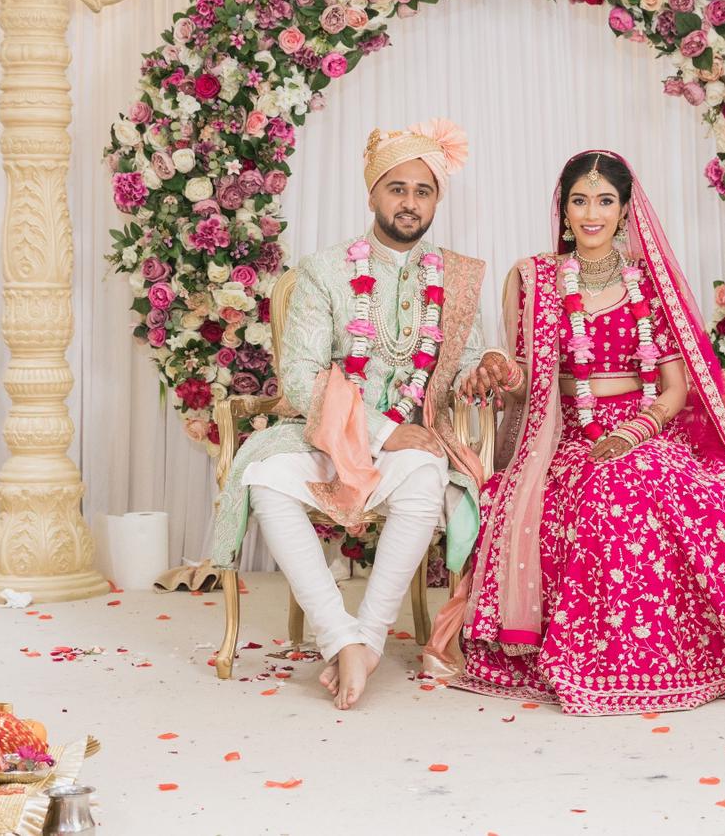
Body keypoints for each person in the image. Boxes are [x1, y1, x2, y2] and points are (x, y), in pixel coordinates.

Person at [428, 150, 725, 715]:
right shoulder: (534, 280)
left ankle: (702, 655)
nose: (592, 213)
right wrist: (505, 370)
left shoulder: (649, 283)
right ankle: (610, 660)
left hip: (645, 431)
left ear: (625, 209)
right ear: (564, 210)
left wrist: (635, 430)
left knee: (712, 493)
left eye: (605, 201)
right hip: (567, 437)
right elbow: (529, 379)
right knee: (608, 493)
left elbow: (675, 388)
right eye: (580, 201)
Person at [209, 118, 519, 709]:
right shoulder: (324, 272)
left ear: (435, 203)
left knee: (428, 476)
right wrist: (381, 430)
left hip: (410, 442)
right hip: (329, 439)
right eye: (397, 188)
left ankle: (368, 637)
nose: (409, 203)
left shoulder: (454, 280)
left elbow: (464, 362)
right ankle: (340, 634)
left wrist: (490, 366)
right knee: (266, 477)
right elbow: (299, 380)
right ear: (372, 192)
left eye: (422, 191)